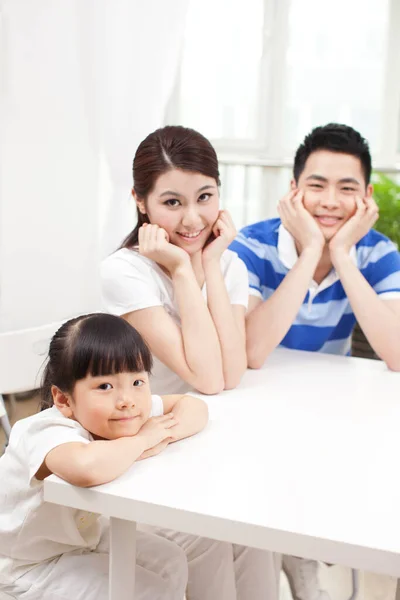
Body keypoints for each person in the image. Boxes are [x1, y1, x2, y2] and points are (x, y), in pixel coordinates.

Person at [102, 125, 281, 600]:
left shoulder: (229, 263)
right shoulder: (124, 271)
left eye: (205, 196)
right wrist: (184, 269)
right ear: (141, 202)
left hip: (205, 433)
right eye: (172, 202)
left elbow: (231, 372)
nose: (192, 218)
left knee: (260, 533)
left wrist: (210, 264)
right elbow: (205, 377)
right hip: (146, 441)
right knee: (213, 542)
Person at [230, 123, 400, 600]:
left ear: (365, 198)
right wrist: (310, 252)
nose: (329, 201)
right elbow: (251, 352)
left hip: (332, 409)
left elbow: (397, 354)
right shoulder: (251, 246)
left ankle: (301, 555)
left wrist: (342, 253)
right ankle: (284, 557)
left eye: (346, 189)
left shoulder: (378, 253)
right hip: (254, 406)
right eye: (316, 186)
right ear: (292, 191)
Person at [0, 312, 209, 600]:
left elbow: (194, 407)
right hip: (25, 566)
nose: (127, 400)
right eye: (105, 387)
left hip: (82, 539)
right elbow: (85, 468)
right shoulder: (44, 430)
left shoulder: (123, 413)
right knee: (150, 591)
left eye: (137, 381)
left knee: (171, 559)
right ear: (64, 399)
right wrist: (144, 439)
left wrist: (162, 434)